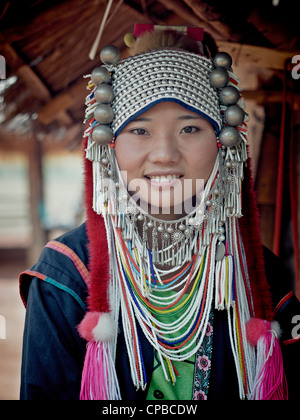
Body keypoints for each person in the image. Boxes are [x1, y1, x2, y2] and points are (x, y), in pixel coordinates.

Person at [20, 25, 300, 401]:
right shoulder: (66, 276)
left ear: (225, 146)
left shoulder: (260, 277)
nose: (165, 153)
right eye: (139, 130)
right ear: (108, 147)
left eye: (189, 128)